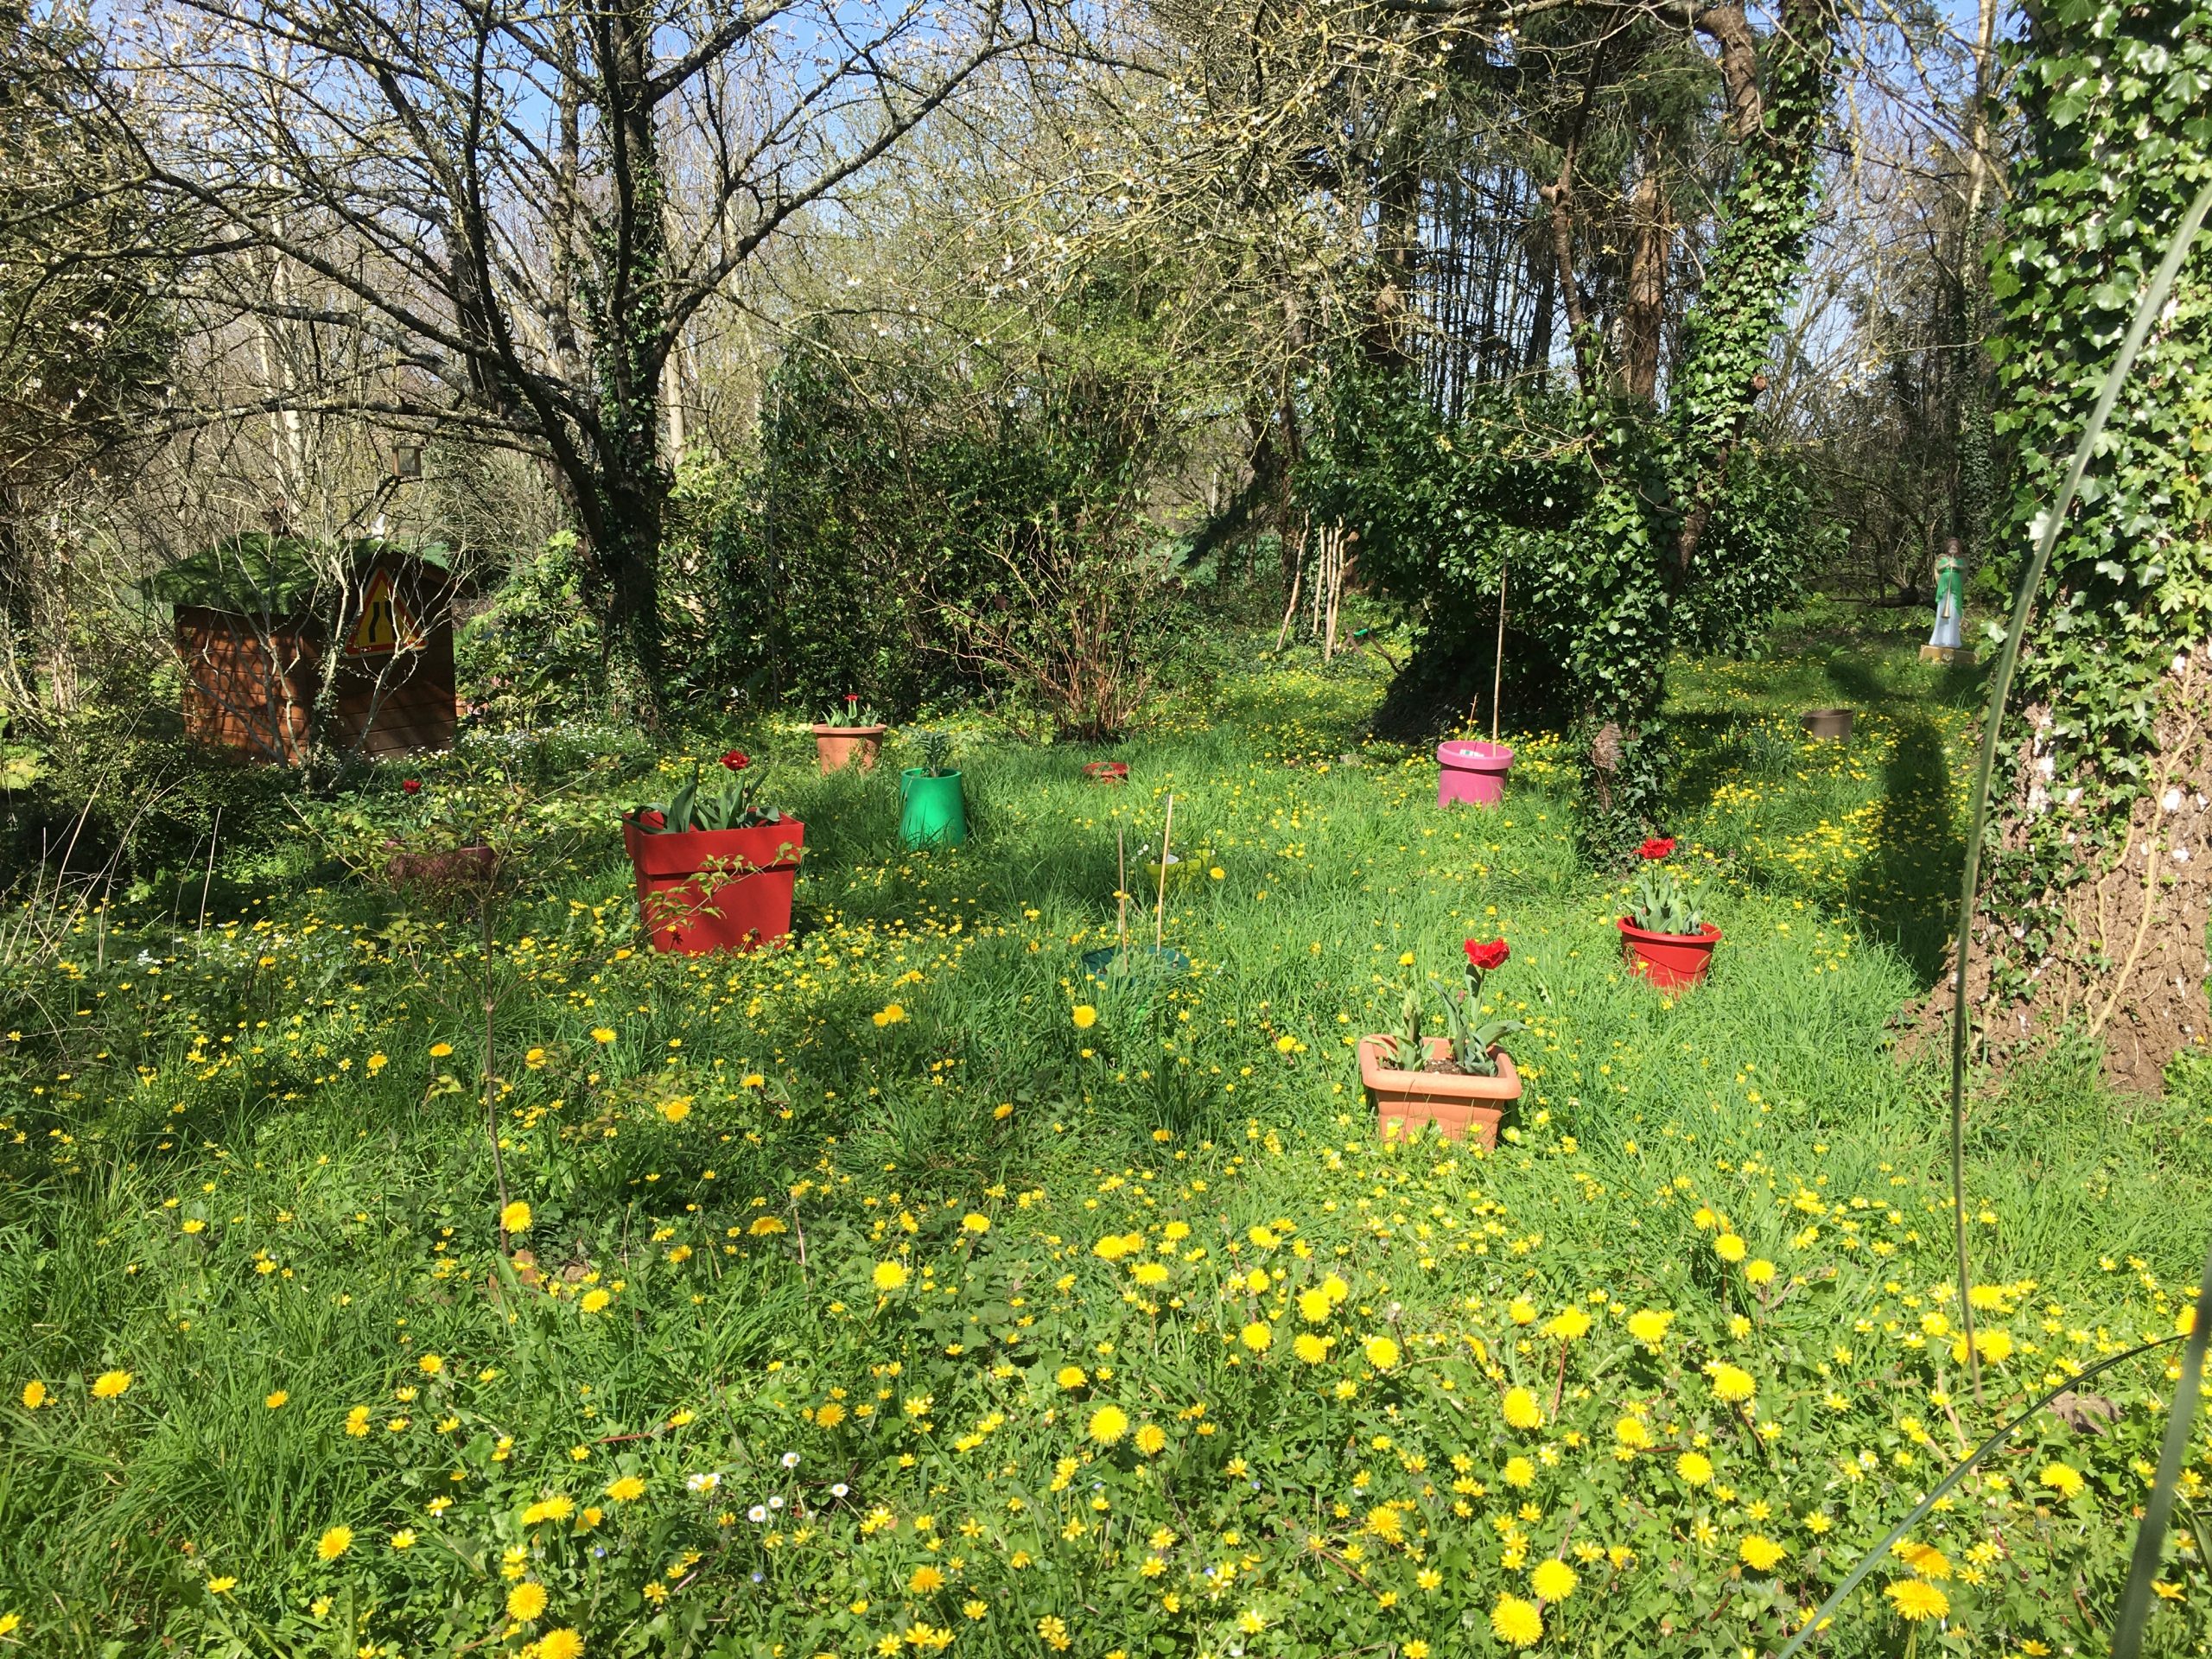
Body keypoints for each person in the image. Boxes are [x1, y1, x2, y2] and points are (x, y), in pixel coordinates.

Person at [1928, 538, 1965, 652]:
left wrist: (1956, 566)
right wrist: (1948, 564)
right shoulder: (1943, 559)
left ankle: (1952, 640)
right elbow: (1938, 568)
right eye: (1951, 548)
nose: (1953, 549)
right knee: (1942, 610)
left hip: (1955, 586)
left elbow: (1964, 568)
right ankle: (1938, 640)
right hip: (1945, 585)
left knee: (1953, 612)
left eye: (1955, 548)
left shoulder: (1960, 560)